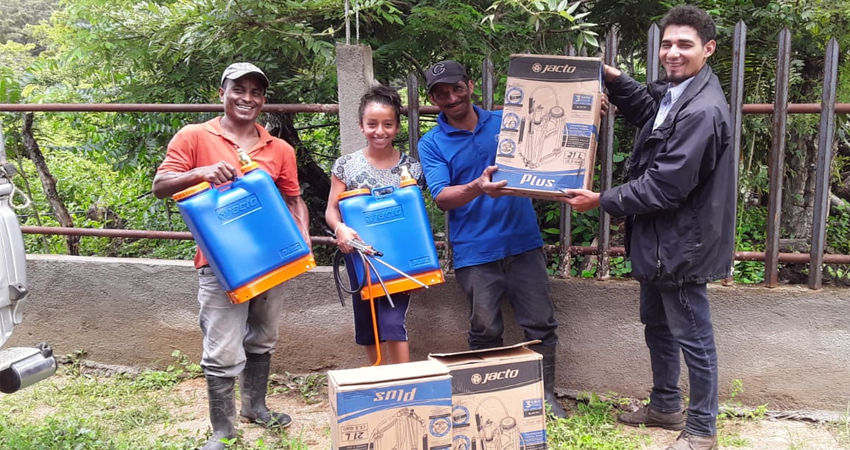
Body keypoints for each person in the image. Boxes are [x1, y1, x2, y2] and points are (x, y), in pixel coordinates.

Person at [563, 5, 734, 450]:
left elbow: (664, 187)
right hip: (660, 241)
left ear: (708, 49)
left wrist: (601, 200)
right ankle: (664, 406)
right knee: (657, 325)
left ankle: (701, 429)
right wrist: (614, 80)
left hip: (682, 244)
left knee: (694, 338)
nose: (672, 53)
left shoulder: (702, 111)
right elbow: (649, 112)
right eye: (667, 44)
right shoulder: (679, 93)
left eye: (684, 45)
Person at [152, 62, 310, 450]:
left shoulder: (280, 148)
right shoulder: (193, 136)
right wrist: (202, 172)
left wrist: (301, 234)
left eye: (256, 92)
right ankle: (222, 431)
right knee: (222, 347)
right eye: (239, 89)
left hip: (273, 261)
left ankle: (255, 407)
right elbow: (161, 185)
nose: (247, 98)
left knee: (264, 337)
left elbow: (293, 198)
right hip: (220, 264)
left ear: (264, 101)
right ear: (221, 92)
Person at [417, 60, 567, 419]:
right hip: (475, 250)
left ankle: (545, 397)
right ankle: (490, 397)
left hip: (522, 243)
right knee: (484, 327)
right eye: (441, 92)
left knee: (541, 323)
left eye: (456, 87)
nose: (450, 97)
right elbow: (440, 196)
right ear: (433, 99)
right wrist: (477, 187)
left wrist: (593, 112)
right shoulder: (432, 142)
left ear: (470, 85)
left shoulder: (504, 123)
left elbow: (554, 140)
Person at [325, 84, 424, 365]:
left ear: (397, 126)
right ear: (361, 125)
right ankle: (378, 378)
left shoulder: (412, 169)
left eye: (387, 124)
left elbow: (414, 217)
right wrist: (339, 228)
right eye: (372, 124)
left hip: (399, 258)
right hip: (359, 256)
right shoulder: (346, 166)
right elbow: (332, 210)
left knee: (393, 319)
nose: (380, 131)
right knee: (368, 322)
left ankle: (404, 381)